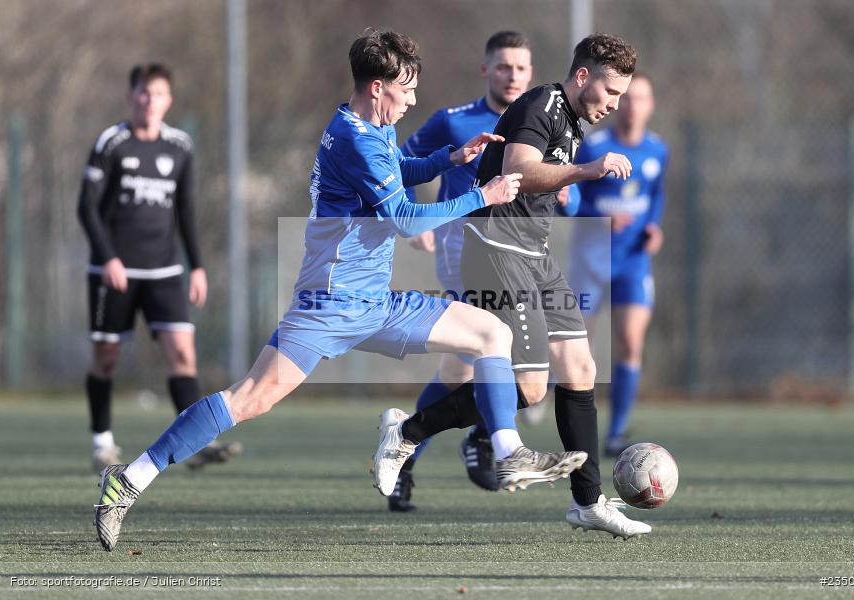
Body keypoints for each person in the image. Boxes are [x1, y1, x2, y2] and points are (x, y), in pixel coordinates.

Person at [91, 29, 587, 552]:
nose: (414, 100)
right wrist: (482, 194)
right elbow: (402, 217)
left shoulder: (371, 126)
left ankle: (507, 450)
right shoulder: (356, 137)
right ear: (377, 87)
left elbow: (396, 172)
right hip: (329, 304)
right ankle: (129, 479)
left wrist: (450, 159)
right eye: (407, 90)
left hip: (376, 301)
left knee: (490, 333)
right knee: (248, 400)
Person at [384, 33, 653, 539]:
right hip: (496, 251)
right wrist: (587, 170)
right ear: (582, 77)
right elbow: (517, 170)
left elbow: (544, 180)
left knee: (580, 368)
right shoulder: (544, 104)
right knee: (529, 390)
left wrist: (567, 183)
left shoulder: (571, 119)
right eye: (611, 92)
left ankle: (589, 502)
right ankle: (407, 433)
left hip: (535, 253)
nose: (615, 105)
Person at [387, 30, 535, 512]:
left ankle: (407, 452)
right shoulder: (454, 122)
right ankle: (483, 438)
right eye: (504, 66)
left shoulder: (538, 120)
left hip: (516, 253)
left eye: (521, 67)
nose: (513, 75)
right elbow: (399, 163)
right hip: (463, 247)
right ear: (486, 69)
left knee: (460, 367)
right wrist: (408, 219)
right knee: (508, 350)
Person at [77, 63, 241, 473]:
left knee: (183, 355)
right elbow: (86, 207)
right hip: (112, 271)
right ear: (132, 96)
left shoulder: (179, 146)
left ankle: (197, 441)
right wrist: (108, 257)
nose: (151, 102)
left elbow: (185, 211)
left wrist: (198, 266)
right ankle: (103, 443)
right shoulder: (112, 143)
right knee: (107, 357)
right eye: (144, 94)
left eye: (159, 95)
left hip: (165, 270)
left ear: (169, 100)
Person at [568, 73, 668, 456]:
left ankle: (616, 432)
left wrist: (654, 226)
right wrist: (600, 215)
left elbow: (655, 196)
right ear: (618, 102)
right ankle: (579, 426)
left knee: (630, 343)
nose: (632, 105)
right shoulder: (595, 146)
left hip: (633, 262)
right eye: (626, 97)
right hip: (590, 261)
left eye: (641, 98)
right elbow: (571, 196)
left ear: (650, 105)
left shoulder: (658, 150)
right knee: (578, 348)